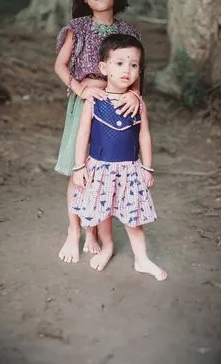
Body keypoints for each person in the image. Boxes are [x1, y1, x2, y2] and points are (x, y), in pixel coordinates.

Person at [54, 0, 142, 264]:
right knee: (80, 171)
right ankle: (73, 230)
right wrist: (80, 89)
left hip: (115, 108)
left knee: (102, 171)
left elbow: (135, 74)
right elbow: (60, 66)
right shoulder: (77, 29)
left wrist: (136, 98)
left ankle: (94, 230)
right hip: (86, 104)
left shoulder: (128, 32)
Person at [71, 34, 167, 281]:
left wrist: (148, 168)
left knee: (133, 217)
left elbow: (144, 135)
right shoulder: (94, 100)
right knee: (103, 215)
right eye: (120, 63)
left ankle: (142, 259)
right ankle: (108, 247)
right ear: (104, 67)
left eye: (134, 65)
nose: (128, 70)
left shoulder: (138, 103)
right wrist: (79, 165)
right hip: (100, 168)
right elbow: (83, 134)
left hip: (129, 170)